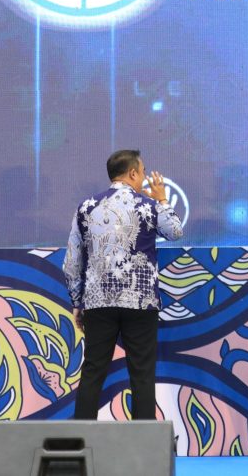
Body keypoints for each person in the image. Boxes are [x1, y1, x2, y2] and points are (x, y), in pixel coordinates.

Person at [63, 149, 183, 420]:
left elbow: (72, 261)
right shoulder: (148, 205)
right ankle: (143, 442)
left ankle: (80, 438)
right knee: (142, 373)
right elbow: (175, 231)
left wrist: (78, 301)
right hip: (140, 301)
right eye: (142, 172)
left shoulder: (86, 207)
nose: (143, 177)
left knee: (93, 371)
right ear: (132, 173)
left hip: (98, 301)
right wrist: (162, 199)